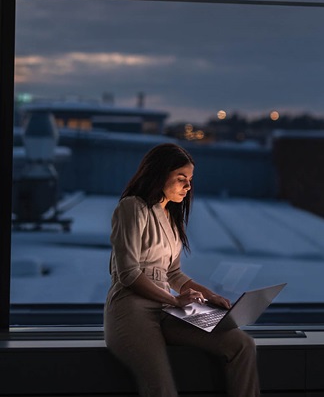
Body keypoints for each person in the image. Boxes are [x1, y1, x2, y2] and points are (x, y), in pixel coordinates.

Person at [104, 143, 260, 397]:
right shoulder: (132, 207)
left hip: (166, 306)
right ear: (159, 174)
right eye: (181, 179)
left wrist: (208, 296)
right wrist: (175, 300)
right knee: (161, 389)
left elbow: (173, 274)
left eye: (190, 180)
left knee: (242, 344)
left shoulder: (170, 218)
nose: (188, 187)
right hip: (131, 307)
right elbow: (129, 274)